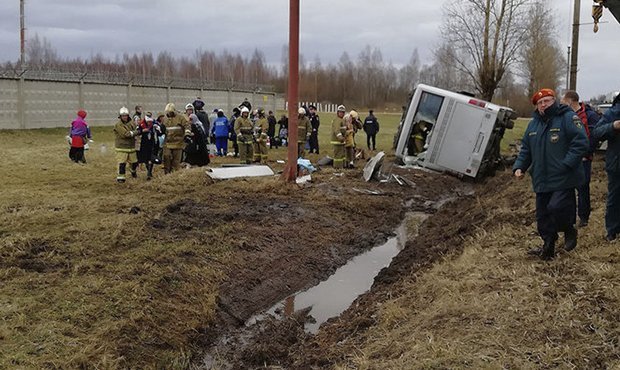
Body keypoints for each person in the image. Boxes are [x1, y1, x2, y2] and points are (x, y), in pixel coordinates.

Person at [513, 88, 589, 260]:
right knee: (543, 217)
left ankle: (569, 229)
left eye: (546, 101)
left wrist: (567, 163)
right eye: (539, 102)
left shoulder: (567, 118)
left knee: (557, 207)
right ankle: (548, 246)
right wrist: (520, 167)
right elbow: (526, 149)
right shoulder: (533, 124)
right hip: (541, 177)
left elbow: (581, 142)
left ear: (554, 100)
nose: (543, 105)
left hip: (563, 176)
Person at [561, 90, 601, 227]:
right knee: (568, 189)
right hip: (569, 157)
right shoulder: (565, 116)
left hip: (584, 159)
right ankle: (570, 219)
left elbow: (594, 137)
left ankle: (584, 218)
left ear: (570, 101)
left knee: (583, 188)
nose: (562, 104)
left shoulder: (590, 116)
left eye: (563, 101)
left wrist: (585, 153)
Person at [591, 93, 620, 241]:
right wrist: (613, 126)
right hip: (617, 163)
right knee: (615, 197)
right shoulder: (614, 111)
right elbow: (596, 132)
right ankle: (612, 230)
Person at [113, 107, 141, 183]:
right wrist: (136, 132)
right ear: (120, 116)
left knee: (134, 162)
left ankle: (133, 171)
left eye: (126, 115)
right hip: (121, 148)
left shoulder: (131, 123)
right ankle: (121, 178)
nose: (124, 117)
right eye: (123, 116)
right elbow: (126, 134)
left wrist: (137, 130)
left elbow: (136, 129)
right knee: (122, 163)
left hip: (131, 147)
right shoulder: (118, 125)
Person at [162, 103, 191, 174]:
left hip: (178, 142)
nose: (169, 114)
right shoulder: (165, 119)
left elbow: (187, 126)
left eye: (170, 112)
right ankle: (167, 174)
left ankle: (175, 174)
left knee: (176, 161)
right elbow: (163, 129)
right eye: (168, 112)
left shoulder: (180, 118)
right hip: (167, 143)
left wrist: (187, 134)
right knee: (166, 157)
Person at [137, 114, 158, 180]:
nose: (149, 123)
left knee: (151, 159)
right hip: (143, 145)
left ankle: (149, 172)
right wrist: (142, 131)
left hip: (152, 144)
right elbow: (137, 132)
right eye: (148, 122)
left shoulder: (154, 124)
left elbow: (159, 131)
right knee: (145, 159)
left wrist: (157, 128)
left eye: (150, 122)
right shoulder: (141, 125)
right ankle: (148, 171)